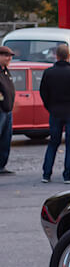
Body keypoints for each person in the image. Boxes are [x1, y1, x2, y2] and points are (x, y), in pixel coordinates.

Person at [39, 43, 70, 184]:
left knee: (53, 143)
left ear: (56, 56)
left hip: (55, 111)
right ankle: (67, 175)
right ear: (69, 56)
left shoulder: (49, 72)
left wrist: (50, 107)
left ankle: (46, 174)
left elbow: (44, 93)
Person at [0, 45, 15, 175]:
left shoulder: (6, 71)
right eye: (6, 56)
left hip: (8, 110)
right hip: (1, 110)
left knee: (5, 140)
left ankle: (2, 166)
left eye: (10, 56)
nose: (9, 58)